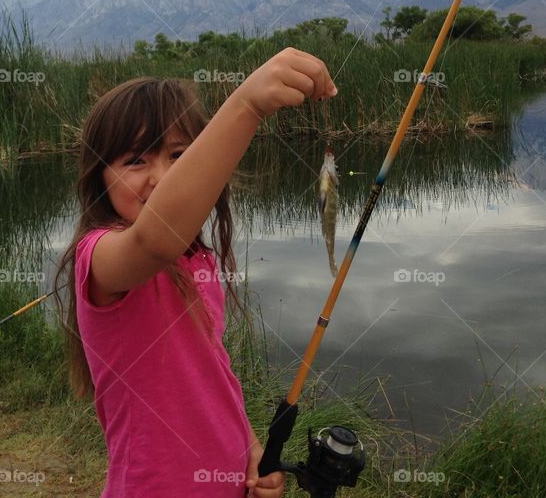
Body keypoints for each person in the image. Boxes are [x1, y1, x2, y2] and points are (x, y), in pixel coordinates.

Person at [55, 48, 337, 497]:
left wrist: (249, 450)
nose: (162, 176)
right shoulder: (100, 258)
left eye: (180, 155)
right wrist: (245, 105)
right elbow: (153, 239)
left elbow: (211, 369)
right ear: (98, 176)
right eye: (135, 161)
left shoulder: (196, 260)